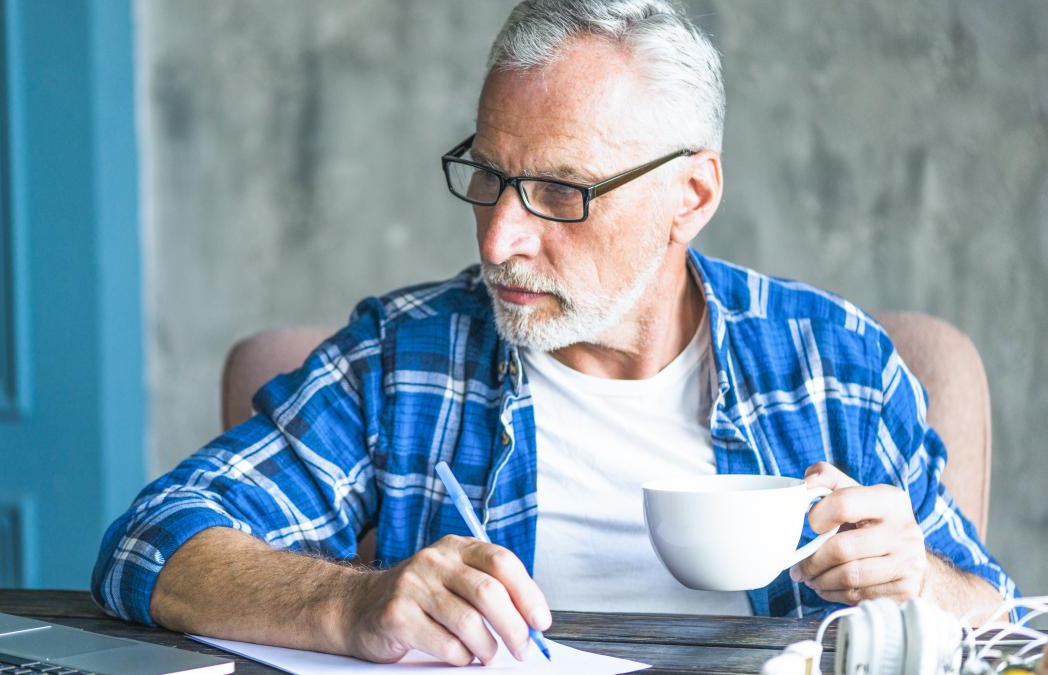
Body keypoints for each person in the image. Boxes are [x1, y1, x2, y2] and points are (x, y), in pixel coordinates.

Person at [92, 0, 1016, 666]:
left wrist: (919, 581)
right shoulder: (406, 358)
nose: (499, 238)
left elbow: (1003, 616)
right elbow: (149, 540)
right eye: (488, 176)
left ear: (689, 196)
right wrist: (355, 600)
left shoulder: (836, 363)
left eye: (561, 193)